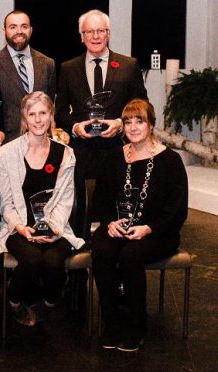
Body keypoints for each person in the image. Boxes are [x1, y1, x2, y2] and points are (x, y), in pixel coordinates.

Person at [91, 99, 187, 352]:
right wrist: (109, 222)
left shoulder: (170, 161)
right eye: (128, 122)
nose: (133, 127)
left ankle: (136, 326)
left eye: (139, 121)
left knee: (131, 254)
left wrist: (148, 228)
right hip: (120, 227)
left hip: (158, 231)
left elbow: (177, 211)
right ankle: (111, 324)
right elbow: (100, 199)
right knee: (102, 249)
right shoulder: (113, 158)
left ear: (151, 124)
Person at [0, 91, 85, 327]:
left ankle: (50, 302)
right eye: (31, 114)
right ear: (24, 119)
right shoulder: (6, 153)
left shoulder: (66, 154)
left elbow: (66, 200)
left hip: (56, 226)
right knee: (33, 260)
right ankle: (14, 301)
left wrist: (53, 228)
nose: (37, 119)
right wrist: (21, 228)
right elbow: (6, 203)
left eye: (43, 113)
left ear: (51, 116)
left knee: (54, 262)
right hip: (18, 227)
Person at [55, 9, 148, 234]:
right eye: (89, 32)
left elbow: (142, 104)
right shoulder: (68, 68)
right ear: (81, 36)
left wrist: (119, 123)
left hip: (119, 148)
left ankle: (116, 249)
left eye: (100, 31)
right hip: (82, 150)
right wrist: (75, 127)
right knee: (79, 209)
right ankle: (78, 254)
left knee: (117, 205)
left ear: (108, 34)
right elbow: (58, 112)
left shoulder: (128, 65)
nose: (95, 36)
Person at [0, 10, 56, 144]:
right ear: (4, 30)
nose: (19, 31)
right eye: (13, 27)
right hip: (7, 144)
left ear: (31, 30)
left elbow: (50, 106)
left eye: (24, 26)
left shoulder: (47, 64)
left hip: (42, 144)